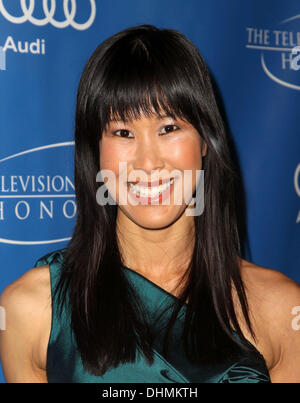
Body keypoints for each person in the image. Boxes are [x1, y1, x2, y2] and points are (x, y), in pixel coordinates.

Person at [1, 24, 300, 383]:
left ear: (205, 139)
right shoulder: (31, 310)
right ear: (95, 151)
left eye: (168, 128)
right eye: (123, 133)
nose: (148, 162)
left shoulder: (283, 310)